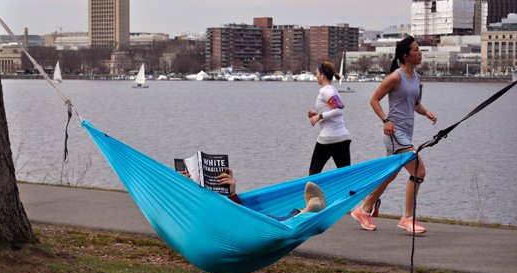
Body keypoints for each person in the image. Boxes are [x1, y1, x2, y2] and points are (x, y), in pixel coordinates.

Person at [351, 36, 437, 233]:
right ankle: (407, 218)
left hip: (406, 132)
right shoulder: (395, 77)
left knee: (389, 174)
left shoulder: (417, 78)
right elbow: (374, 100)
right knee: (419, 171)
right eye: (416, 50)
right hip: (395, 133)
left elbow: (414, 104)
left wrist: (427, 113)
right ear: (406, 56)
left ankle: (364, 210)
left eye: (419, 49)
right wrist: (386, 120)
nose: (420, 53)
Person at [180, 168, 325, 219]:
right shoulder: (177, 208)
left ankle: (305, 213)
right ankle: (306, 214)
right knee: (270, 225)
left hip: (233, 219)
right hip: (218, 227)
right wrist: (181, 189)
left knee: (266, 220)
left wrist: (231, 193)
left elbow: (234, 215)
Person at [307, 62, 351, 175]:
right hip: (342, 138)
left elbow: (339, 109)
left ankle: (311, 193)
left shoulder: (326, 91)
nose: (316, 75)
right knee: (346, 176)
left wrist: (319, 116)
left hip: (328, 139)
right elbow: (332, 111)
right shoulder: (332, 89)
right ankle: (350, 193)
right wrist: (317, 114)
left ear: (322, 75)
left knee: (313, 175)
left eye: (316, 73)